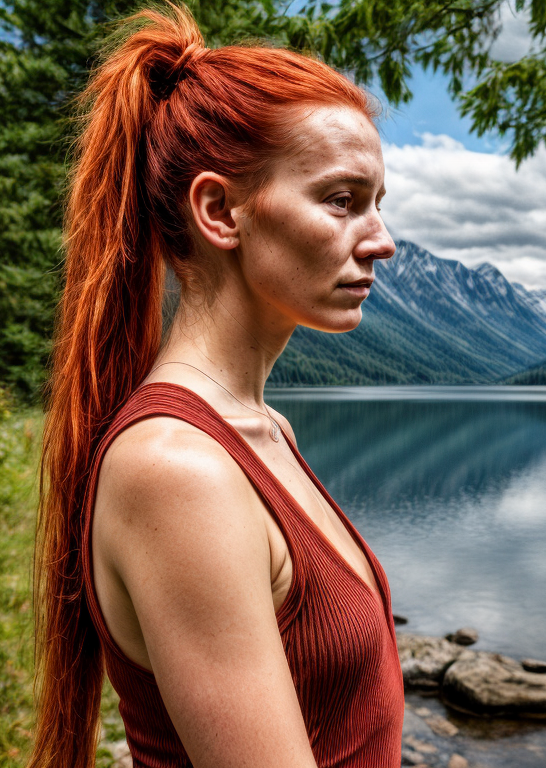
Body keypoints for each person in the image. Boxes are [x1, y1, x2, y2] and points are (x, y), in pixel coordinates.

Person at [30, 4, 403, 767]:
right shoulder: (178, 471)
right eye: (341, 200)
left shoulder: (262, 432)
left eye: (377, 204)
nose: (382, 241)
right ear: (217, 211)